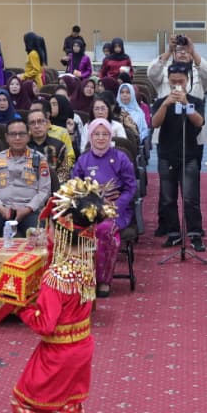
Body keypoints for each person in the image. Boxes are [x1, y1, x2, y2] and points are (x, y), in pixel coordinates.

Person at [0, 179, 114, 413]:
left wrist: (20, 307)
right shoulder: (85, 265)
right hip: (82, 347)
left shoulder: (55, 278)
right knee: (67, 408)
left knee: (24, 402)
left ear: (61, 231)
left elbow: (45, 325)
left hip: (57, 353)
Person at [71, 119, 136, 298]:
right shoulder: (83, 160)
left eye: (105, 134)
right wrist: (90, 203)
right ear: (90, 136)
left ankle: (103, 280)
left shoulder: (121, 158)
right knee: (70, 227)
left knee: (104, 230)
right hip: (88, 210)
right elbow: (75, 188)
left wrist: (115, 205)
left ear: (110, 136)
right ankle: (79, 278)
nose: (100, 138)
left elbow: (131, 188)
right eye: (96, 134)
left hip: (114, 210)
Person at [151, 64, 207, 251]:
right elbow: (155, 123)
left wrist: (185, 104)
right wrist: (166, 104)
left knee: (190, 198)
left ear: (187, 81)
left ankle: (195, 234)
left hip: (189, 154)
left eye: (181, 81)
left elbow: (199, 122)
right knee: (168, 198)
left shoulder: (195, 101)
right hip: (166, 155)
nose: (177, 84)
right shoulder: (161, 101)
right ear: (168, 81)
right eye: (173, 81)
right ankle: (173, 233)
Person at [0, 119, 51, 236]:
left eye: (21, 134)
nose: (17, 138)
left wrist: (28, 209)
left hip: (29, 210)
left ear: (28, 136)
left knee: (37, 235)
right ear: (6, 137)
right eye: (13, 134)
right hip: (1, 208)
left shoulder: (40, 159)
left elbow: (44, 191)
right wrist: (0, 208)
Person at [148, 35, 207, 99]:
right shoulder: (164, 72)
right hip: (166, 106)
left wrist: (193, 52)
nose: (183, 52)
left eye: (187, 51)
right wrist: (169, 51)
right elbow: (152, 73)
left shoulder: (198, 73)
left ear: (191, 55)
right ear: (173, 54)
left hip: (194, 106)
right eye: (179, 50)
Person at [27, 106, 72, 188]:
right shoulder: (23, 146)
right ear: (28, 127)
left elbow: (64, 174)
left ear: (47, 124)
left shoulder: (59, 145)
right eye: (32, 123)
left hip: (53, 189)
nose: (37, 126)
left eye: (40, 122)